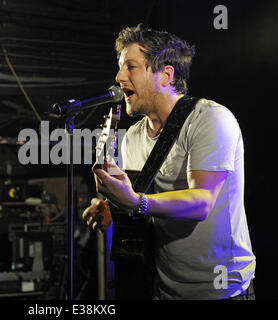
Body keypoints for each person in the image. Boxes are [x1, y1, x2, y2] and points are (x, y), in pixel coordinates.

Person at [82, 24, 255, 300]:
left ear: (165, 75)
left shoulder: (210, 119)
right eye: (120, 67)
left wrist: (136, 202)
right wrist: (112, 209)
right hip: (162, 289)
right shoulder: (132, 137)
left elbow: (201, 202)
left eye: (131, 67)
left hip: (221, 291)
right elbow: (142, 206)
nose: (118, 77)